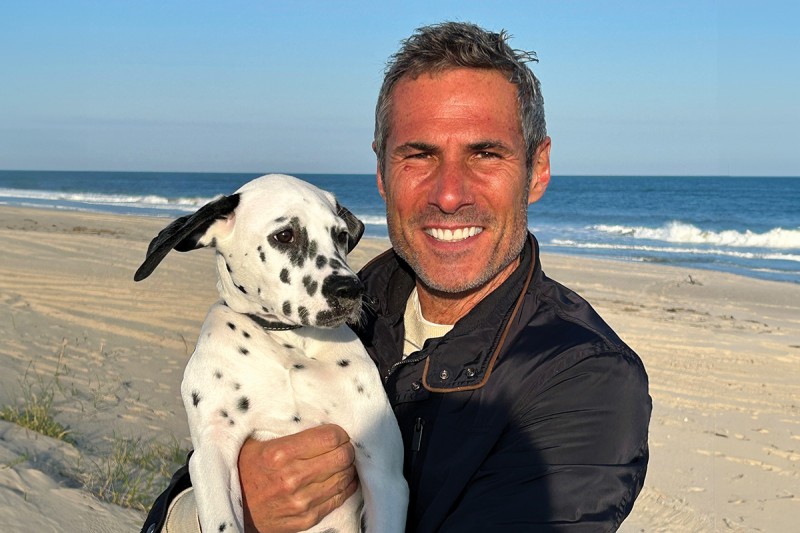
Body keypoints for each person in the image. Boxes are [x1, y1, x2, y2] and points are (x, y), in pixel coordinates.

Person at [142, 21, 651, 533]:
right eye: (420, 155)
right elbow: (176, 504)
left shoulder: (586, 380)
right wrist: (226, 510)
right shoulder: (321, 318)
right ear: (383, 173)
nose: (449, 194)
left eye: (485, 154)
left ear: (537, 169)